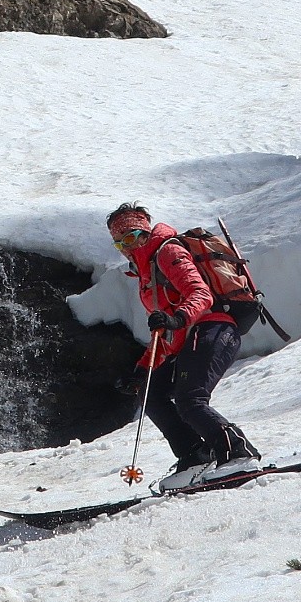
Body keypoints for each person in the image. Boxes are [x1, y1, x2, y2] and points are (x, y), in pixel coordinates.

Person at [106, 202, 260, 489]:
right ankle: (195, 457)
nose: (127, 246)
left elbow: (200, 293)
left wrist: (178, 317)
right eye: (119, 243)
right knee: (151, 393)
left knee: (191, 400)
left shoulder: (167, 251)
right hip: (190, 337)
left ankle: (240, 454)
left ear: (144, 232)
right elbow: (164, 333)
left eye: (131, 237)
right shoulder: (144, 274)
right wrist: (142, 369)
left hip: (214, 328)